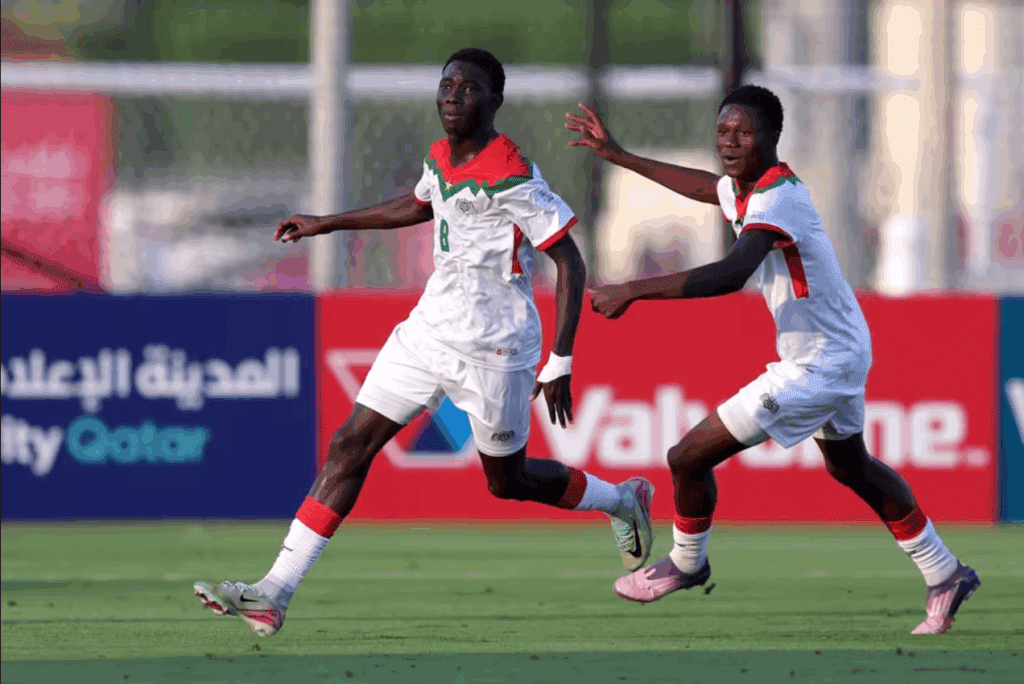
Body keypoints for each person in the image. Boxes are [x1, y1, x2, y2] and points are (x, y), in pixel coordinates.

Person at [193, 48, 655, 637]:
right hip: (428, 329)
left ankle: (621, 499)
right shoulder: (439, 156)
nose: (453, 95)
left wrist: (562, 358)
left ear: (494, 101)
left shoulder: (511, 172)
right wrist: (326, 222)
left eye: (468, 88)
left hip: (495, 348)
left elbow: (569, 260)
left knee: (505, 483)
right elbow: (416, 204)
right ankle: (273, 592)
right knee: (349, 443)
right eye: (446, 85)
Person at [566, 85, 980, 636]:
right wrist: (620, 157)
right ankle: (945, 572)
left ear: (771, 139)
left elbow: (729, 274)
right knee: (851, 466)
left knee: (687, 456)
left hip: (820, 364)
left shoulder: (778, 197)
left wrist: (631, 290)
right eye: (722, 132)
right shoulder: (746, 188)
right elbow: (704, 187)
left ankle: (688, 564)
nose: (730, 143)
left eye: (743, 133)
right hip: (837, 347)